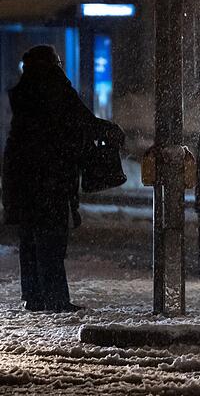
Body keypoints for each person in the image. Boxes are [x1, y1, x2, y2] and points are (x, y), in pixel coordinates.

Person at [1, 45, 124, 312]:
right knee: (52, 240)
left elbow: (16, 144)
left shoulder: (24, 95)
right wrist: (111, 131)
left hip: (26, 179)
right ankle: (56, 298)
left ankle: (33, 296)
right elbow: (83, 121)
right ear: (53, 64)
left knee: (30, 240)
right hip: (53, 179)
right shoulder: (58, 89)